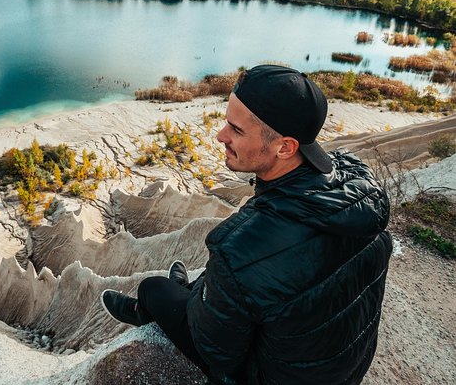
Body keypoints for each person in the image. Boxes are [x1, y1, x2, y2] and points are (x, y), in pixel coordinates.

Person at [101, 65, 392, 384]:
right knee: (217, 290)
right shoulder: (362, 192)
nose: (221, 136)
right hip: (347, 370)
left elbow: (217, 353)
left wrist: (189, 305)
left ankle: (146, 311)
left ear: (285, 147)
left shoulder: (241, 246)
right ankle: (195, 293)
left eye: (236, 130)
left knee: (154, 289)